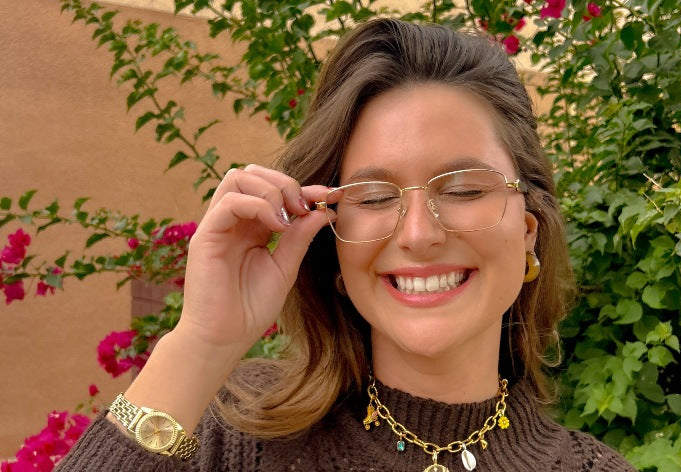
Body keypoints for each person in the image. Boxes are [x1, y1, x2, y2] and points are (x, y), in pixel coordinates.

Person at [56, 18, 635, 472]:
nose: (418, 234)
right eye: (375, 197)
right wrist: (201, 345)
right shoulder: (235, 430)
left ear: (529, 230)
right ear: (332, 241)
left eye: (462, 189)